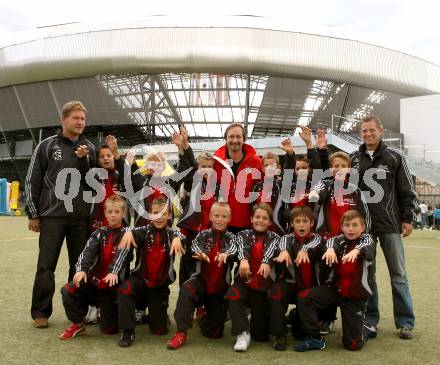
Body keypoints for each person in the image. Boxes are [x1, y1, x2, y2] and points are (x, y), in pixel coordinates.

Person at [25, 100, 96, 328]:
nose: (80, 122)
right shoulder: (46, 146)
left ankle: (76, 314)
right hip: (52, 217)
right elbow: (32, 181)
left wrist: (85, 159)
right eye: (76, 118)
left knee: (78, 267)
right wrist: (33, 214)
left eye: (83, 119)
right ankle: (40, 313)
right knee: (46, 266)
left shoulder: (90, 148)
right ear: (63, 119)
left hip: (79, 219)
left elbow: (94, 185)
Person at [350, 115, 417, 339]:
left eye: (372, 130)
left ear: (380, 130)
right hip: (364, 227)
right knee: (368, 274)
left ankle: (405, 322)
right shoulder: (354, 159)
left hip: (390, 224)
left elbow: (407, 191)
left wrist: (407, 218)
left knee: (398, 274)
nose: (368, 134)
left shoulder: (395, 157)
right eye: (364, 131)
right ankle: (371, 320)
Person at [106, 197, 185, 347]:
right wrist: (129, 231)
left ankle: (158, 316)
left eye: (163, 214)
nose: (159, 217)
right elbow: (130, 232)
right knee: (125, 290)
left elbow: (183, 237)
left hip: (159, 286)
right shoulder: (143, 230)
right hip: (140, 281)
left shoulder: (172, 234)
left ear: (169, 215)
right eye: (155, 213)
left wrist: (177, 237)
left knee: (159, 330)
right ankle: (128, 331)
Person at [295, 210, 375, 352]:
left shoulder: (367, 239)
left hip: (354, 296)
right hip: (334, 291)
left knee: (353, 345)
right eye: (347, 225)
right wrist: (330, 249)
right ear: (342, 227)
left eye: (355, 225)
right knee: (304, 297)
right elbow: (331, 243)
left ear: (363, 227)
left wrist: (356, 251)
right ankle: (315, 338)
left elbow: (367, 248)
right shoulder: (337, 239)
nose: (351, 229)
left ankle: (364, 328)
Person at [167, 202, 237, 350]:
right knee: (187, 288)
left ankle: (202, 315)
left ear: (229, 219)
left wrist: (226, 254)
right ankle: (181, 332)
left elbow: (233, 248)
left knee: (214, 334)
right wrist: (201, 253)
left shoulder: (232, 237)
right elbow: (195, 246)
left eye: (224, 216)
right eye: (216, 216)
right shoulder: (203, 234)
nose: (219, 219)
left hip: (219, 290)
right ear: (210, 217)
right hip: (200, 283)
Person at [59, 195, 129, 339]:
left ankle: (108, 311)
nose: (113, 215)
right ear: (105, 214)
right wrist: (82, 270)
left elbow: (122, 255)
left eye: (117, 212)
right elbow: (87, 253)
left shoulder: (128, 234)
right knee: (68, 289)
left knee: (110, 330)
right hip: (95, 283)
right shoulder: (98, 233)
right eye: (110, 212)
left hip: (112, 287)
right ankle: (78, 324)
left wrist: (113, 272)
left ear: (123, 213)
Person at [226, 203, 280, 352]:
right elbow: (242, 248)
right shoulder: (242, 234)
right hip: (244, 283)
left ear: (270, 222)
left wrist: (266, 262)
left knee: (261, 336)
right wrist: (243, 259)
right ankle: (242, 333)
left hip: (262, 288)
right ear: (251, 218)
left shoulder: (275, 237)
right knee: (233, 294)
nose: (260, 221)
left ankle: (253, 318)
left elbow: (270, 250)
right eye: (257, 217)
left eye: (264, 218)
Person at [269, 205, 325, 351]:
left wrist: (304, 250)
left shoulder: (318, 238)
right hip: (290, 285)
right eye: (297, 221)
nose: (301, 224)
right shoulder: (286, 238)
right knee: (277, 290)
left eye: (305, 221)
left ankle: (296, 316)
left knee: (299, 333)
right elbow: (282, 244)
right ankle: (279, 334)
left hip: (310, 290)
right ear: (292, 224)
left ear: (312, 223)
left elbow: (315, 244)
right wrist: (283, 252)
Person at [212, 123, 262, 233]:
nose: (235, 140)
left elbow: (263, 187)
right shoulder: (216, 162)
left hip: (247, 223)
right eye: (231, 136)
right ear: (226, 139)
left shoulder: (256, 162)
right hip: (222, 222)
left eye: (238, 136)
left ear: (244, 139)